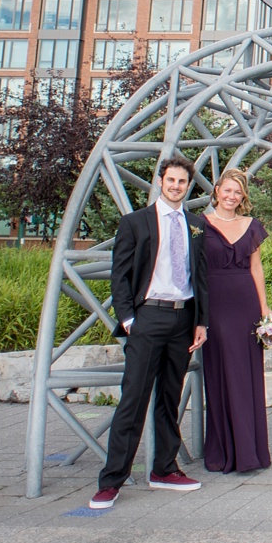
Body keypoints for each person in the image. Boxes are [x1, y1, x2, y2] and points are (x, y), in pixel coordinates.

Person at [89, 155, 211, 510]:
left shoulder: (195, 224)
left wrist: (201, 321)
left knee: (169, 399)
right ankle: (111, 481)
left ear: (188, 186)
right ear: (161, 181)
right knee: (133, 400)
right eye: (171, 180)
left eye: (182, 182)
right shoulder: (135, 223)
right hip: (148, 318)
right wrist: (129, 320)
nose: (176, 186)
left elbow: (199, 277)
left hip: (183, 320)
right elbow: (120, 275)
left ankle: (164, 470)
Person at [200, 167, 271, 474]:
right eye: (227, 190)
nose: (231, 196)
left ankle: (250, 451)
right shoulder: (199, 225)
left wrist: (264, 309)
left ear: (243, 197)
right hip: (213, 305)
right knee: (218, 374)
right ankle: (223, 451)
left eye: (237, 192)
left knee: (246, 376)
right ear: (217, 191)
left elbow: (256, 269)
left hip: (245, 306)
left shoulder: (251, 226)